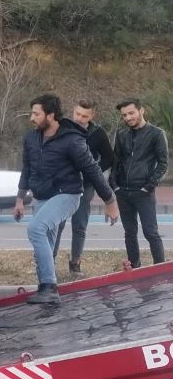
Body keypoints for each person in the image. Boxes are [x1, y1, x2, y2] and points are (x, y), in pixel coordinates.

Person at [13, 94, 119, 304]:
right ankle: (46, 291)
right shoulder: (31, 138)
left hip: (67, 194)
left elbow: (92, 170)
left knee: (35, 229)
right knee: (45, 244)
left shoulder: (72, 139)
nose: (32, 118)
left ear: (50, 115)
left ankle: (49, 288)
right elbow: (27, 169)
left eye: (36, 114)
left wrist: (110, 201)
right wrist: (19, 199)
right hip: (42, 197)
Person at [52, 100, 114, 276]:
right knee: (57, 224)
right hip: (63, 185)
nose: (80, 118)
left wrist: (92, 171)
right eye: (77, 114)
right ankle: (50, 261)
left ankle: (75, 263)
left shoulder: (98, 133)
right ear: (73, 112)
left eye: (85, 116)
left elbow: (109, 158)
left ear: (92, 116)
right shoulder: (62, 128)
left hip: (85, 186)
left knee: (80, 226)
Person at [109, 98, 169, 268]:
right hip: (123, 191)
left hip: (143, 192)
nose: (128, 117)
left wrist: (149, 186)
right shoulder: (121, 134)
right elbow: (116, 161)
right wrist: (114, 185)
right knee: (129, 233)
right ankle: (134, 268)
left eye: (131, 113)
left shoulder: (157, 134)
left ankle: (160, 270)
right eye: (124, 115)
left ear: (141, 110)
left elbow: (163, 163)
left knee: (151, 232)